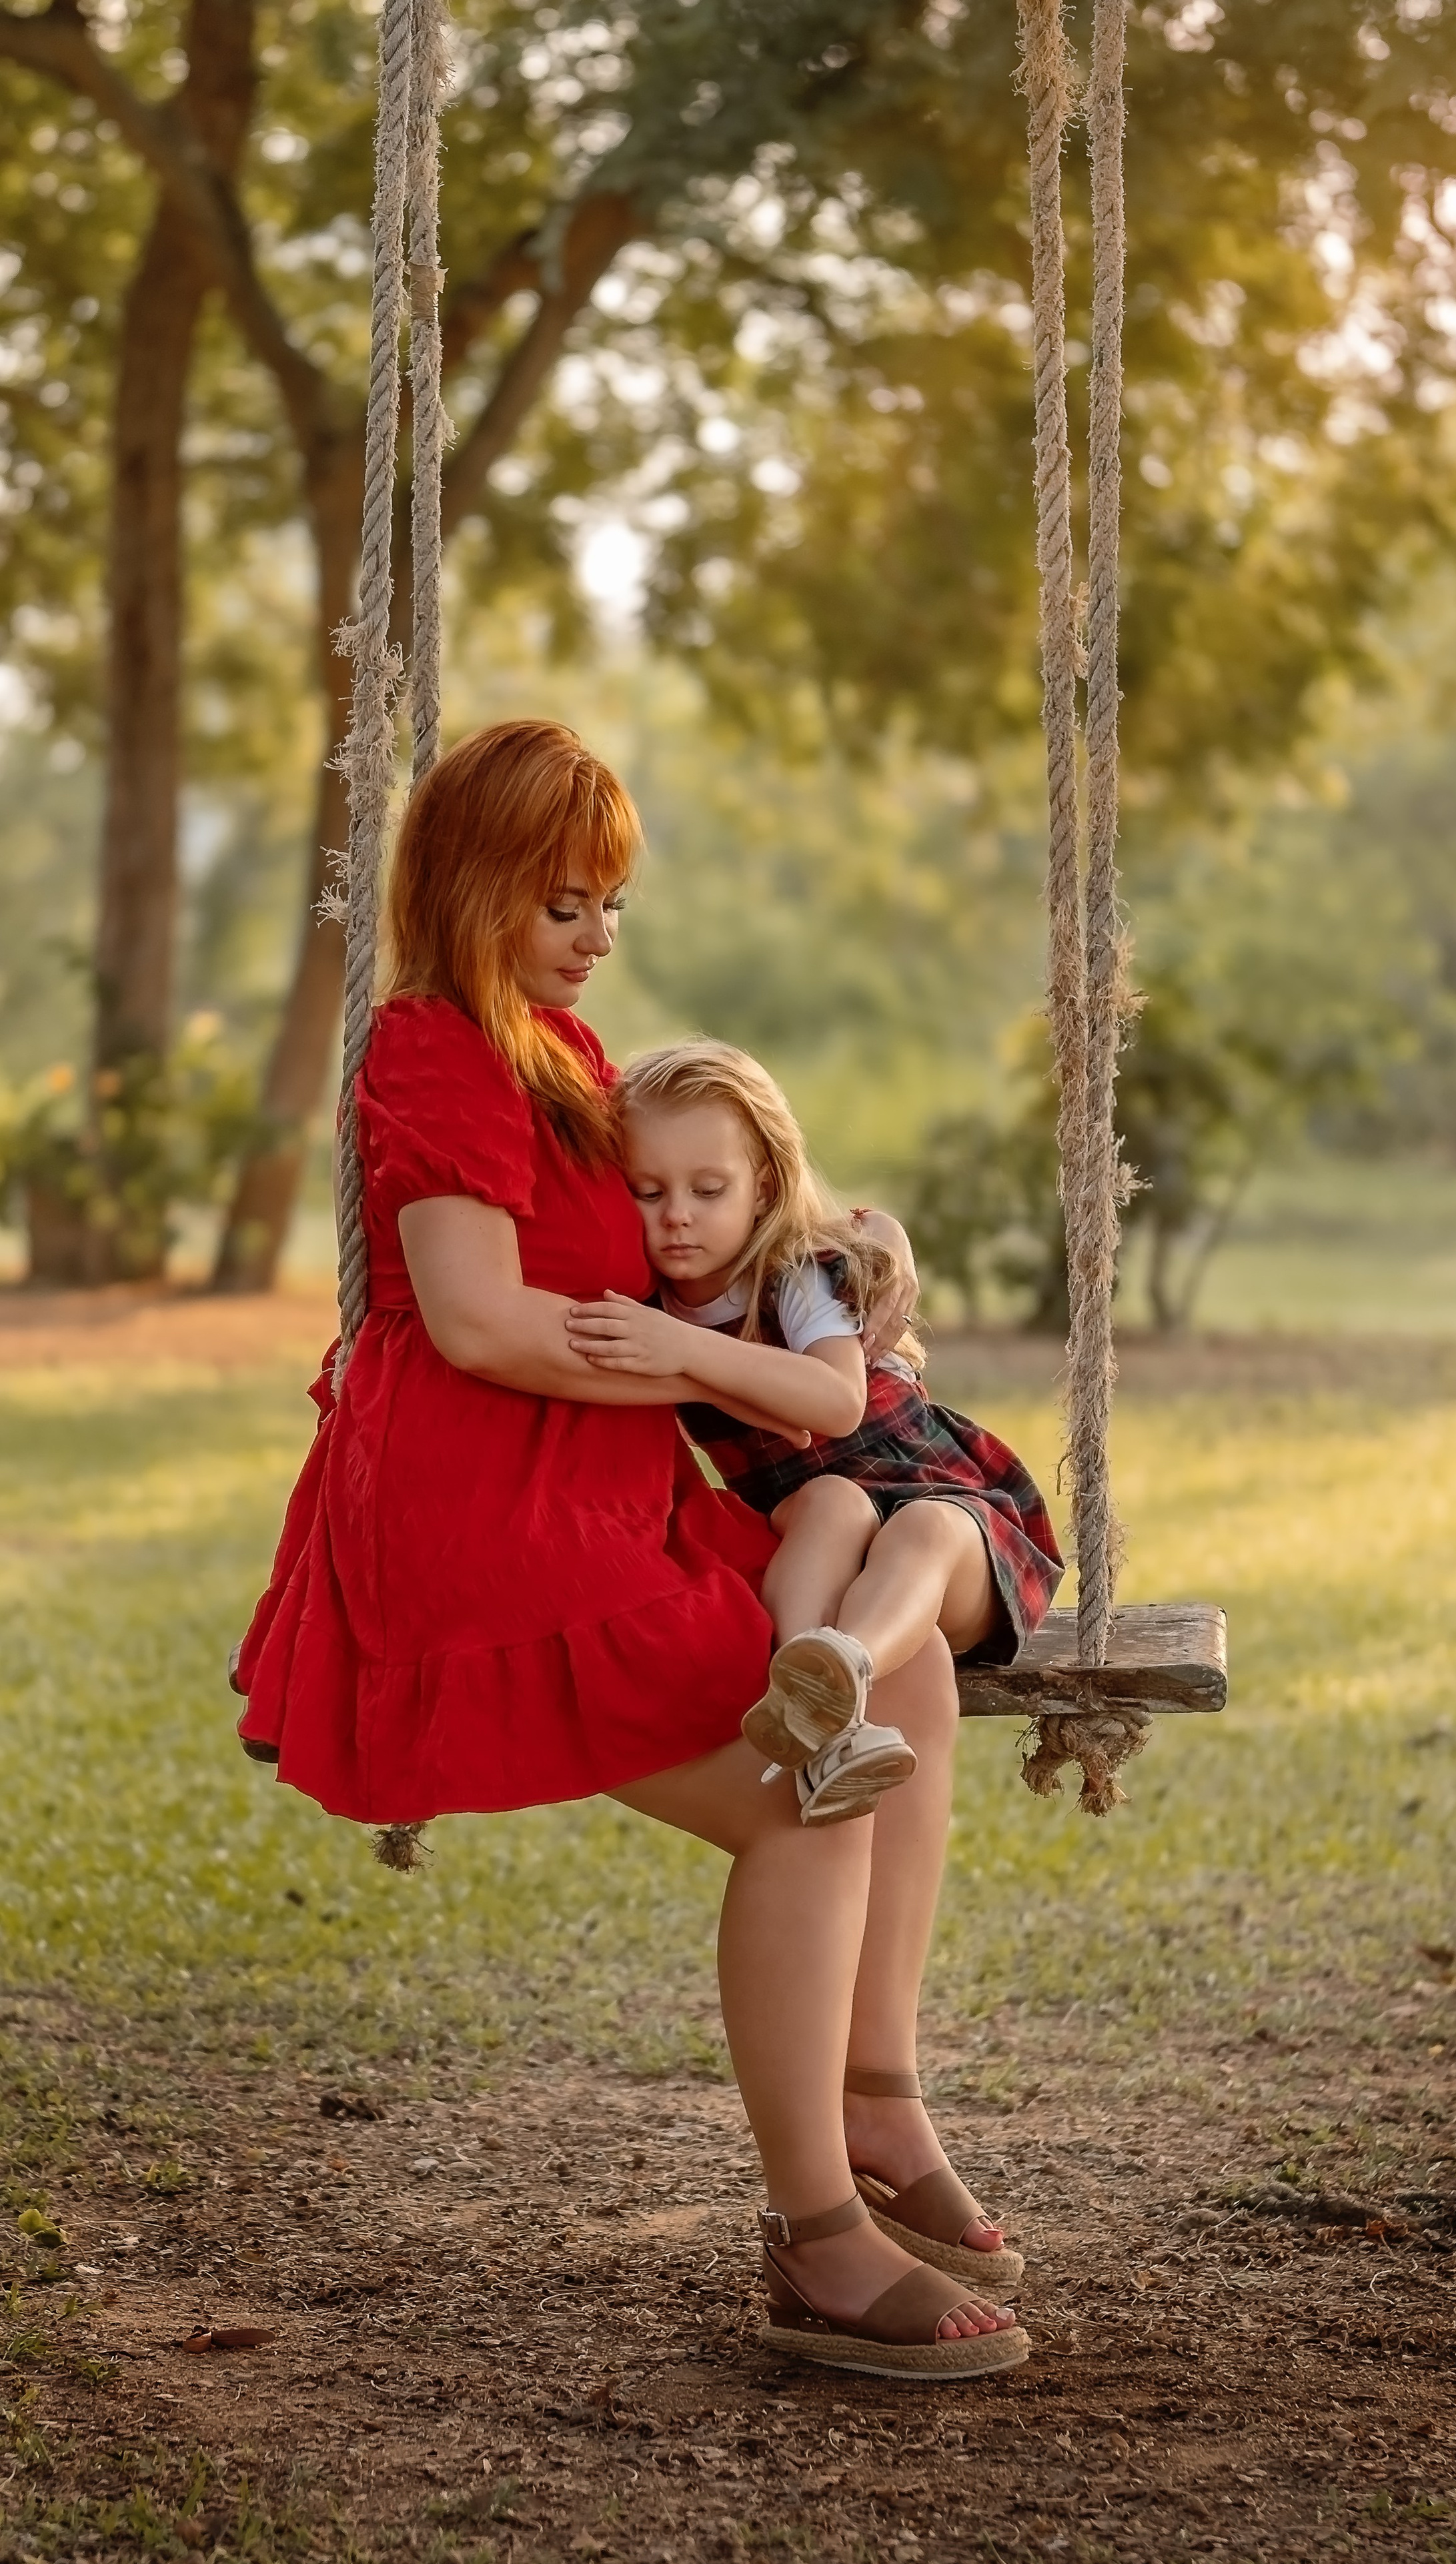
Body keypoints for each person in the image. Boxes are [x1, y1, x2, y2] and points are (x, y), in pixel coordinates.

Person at [232, 717, 1028, 2380]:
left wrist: (831, 1245)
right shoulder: (435, 1047)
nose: (599, 941)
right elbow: (474, 1319)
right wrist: (660, 1356)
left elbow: (689, 1241)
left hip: (609, 1499)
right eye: (565, 906)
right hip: (495, 1520)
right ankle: (817, 2237)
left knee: (906, 1687)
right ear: (477, 891)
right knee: (812, 1795)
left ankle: (874, 2094)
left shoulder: (564, 1058)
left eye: (610, 908)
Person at [561, 1041, 1064, 1833]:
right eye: (647, 1191)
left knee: (924, 1528)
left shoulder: (796, 1271)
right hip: (823, 1531)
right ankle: (809, 1687)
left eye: (708, 1187)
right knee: (828, 1499)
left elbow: (835, 1399)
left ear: (762, 1184)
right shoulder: (649, 1306)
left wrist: (689, 1353)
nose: (678, 1215)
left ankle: (849, 1661)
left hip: (952, 1522)